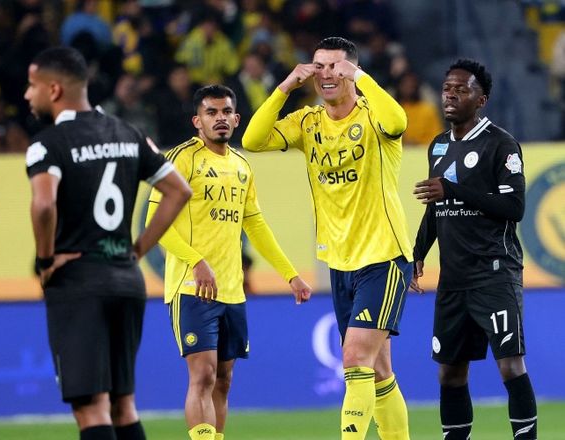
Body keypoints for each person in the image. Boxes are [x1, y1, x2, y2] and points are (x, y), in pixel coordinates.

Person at [242, 37, 414, 440]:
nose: (326, 74)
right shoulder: (308, 122)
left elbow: (398, 123)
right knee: (379, 370)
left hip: (383, 256)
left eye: (336, 66)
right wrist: (285, 87)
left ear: (351, 70)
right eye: (319, 66)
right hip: (340, 261)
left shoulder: (373, 116)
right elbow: (252, 141)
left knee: (353, 357)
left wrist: (363, 78)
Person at [24, 46, 191, 440]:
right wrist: (138, 250)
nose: (27, 95)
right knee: (123, 404)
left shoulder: (48, 143)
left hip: (79, 281)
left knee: (91, 408)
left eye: (31, 85)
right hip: (126, 280)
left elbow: (44, 204)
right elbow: (179, 191)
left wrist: (45, 260)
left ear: (54, 89)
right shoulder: (129, 134)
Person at [146, 84, 311, 440]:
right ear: (197, 121)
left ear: (236, 119)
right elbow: (156, 225)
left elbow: (256, 225)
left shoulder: (241, 165)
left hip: (232, 291)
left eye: (225, 112)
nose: (219, 118)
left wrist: (290, 275)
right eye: (211, 112)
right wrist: (196, 262)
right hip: (192, 288)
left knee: (223, 379)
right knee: (203, 375)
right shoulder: (180, 160)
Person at [411, 59, 537, 440]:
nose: (450, 95)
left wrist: (452, 189)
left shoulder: (501, 144)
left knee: (510, 367)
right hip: (454, 279)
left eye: (461, 89)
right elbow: (437, 207)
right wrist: (418, 252)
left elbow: (514, 207)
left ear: (480, 100)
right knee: (450, 373)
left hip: (494, 273)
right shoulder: (438, 146)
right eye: (446, 88)